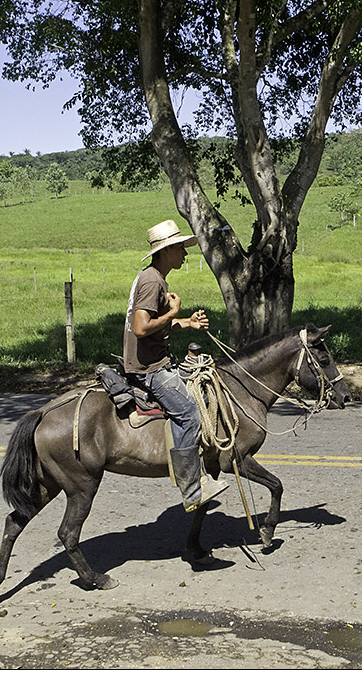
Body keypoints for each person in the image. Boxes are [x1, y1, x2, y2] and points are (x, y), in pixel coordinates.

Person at [123, 219, 227, 512]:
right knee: (189, 413)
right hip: (149, 368)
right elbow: (141, 328)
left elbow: (156, 326)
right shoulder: (152, 281)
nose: (185, 253)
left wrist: (187, 323)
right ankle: (192, 488)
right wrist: (175, 312)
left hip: (155, 359)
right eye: (181, 248)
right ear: (166, 250)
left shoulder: (155, 277)